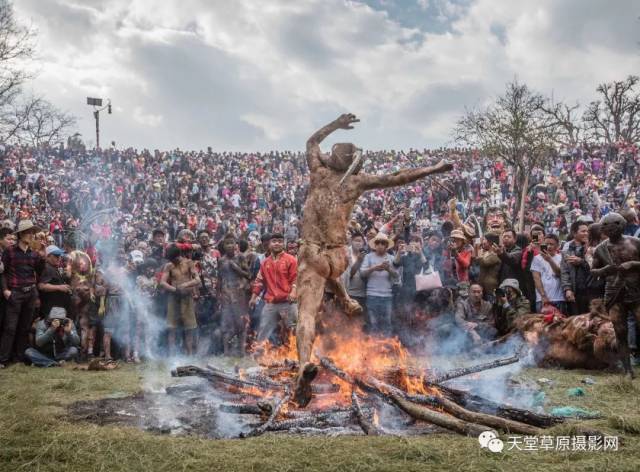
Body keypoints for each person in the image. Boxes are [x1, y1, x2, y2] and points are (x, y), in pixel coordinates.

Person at [591, 212, 640, 378]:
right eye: (607, 228)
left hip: (636, 291)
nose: (611, 231)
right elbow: (593, 271)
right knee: (620, 331)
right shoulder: (600, 249)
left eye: (614, 226)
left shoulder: (635, 242)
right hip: (614, 293)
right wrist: (604, 270)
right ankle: (627, 370)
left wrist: (633, 264)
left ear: (621, 225)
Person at [0, 220, 45, 368]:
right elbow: (3, 273)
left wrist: (43, 257)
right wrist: (5, 290)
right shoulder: (10, 251)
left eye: (32, 232)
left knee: (24, 327)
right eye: (28, 232)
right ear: (20, 234)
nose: (31, 235)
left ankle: (19, 359)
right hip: (15, 293)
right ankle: (3, 360)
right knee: (10, 327)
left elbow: (40, 272)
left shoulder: (34, 254)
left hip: (30, 293)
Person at [250, 233, 298, 344]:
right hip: (270, 303)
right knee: (263, 332)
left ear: (283, 244)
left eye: (280, 241)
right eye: (274, 241)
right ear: (270, 244)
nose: (277, 243)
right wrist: (253, 298)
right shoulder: (265, 262)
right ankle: (259, 357)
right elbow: (259, 282)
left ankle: (295, 356)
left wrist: (293, 292)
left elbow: (295, 278)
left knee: (293, 331)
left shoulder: (291, 260)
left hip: (288, 302)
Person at [160, 244, 201, 356]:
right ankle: (172, 357)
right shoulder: (169, 266)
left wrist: (186, 284)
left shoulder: (189, 263)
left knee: (189, 329)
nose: (172, 261)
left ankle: (189, 355)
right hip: (174, 299)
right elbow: (162, 282)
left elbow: (197, 279)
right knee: (172, 328)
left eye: (173, 259)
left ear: (178, 256)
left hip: (187, 299)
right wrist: (174, 289)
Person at [217, 235, 250, 356]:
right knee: (226, 322)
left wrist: (237, 268)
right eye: (227, 243)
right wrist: (218, 295)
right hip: (226, 293)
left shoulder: (241, 257)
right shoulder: (221, 260)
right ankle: (226, 352)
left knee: (241, 322)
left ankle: (242, 351)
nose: (230, 245)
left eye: (232, 243)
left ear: (236, 245)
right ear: (224, 246)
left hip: (239, 293)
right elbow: (219, 279)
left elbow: (248, 275)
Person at [360, 233, 398, 335]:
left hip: (387, 296)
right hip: (372, 295)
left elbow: (397, 276)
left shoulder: (391, 258)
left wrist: (388, 269)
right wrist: (374, 268)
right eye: (378, 243)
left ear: (386, 245)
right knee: (373, 324)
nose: (380, 245)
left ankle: (387, 347)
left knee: (387, 324)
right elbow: (362, 273)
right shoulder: (368, 257)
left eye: (383, 243)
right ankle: (373, 347)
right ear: (375, 245)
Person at [561, 221, 592, 315]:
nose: (586, 233)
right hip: (575, 291)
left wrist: (581, 262)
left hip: (590, 291)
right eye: (583, 231)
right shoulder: (567, 249)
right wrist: (567, 289)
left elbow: (594, 267)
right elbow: (564, 271)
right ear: (574, 233)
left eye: (587, 231)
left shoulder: (592, 247)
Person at [530, 234, 565, 313]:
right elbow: (536, 278)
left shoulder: (561, 257)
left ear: (557, 246)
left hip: (559, 298)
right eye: (546, 244)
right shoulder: (537, 258)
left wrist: (550, 260)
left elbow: (559, 274)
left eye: (551, 244)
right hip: (542, 299)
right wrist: (543, 296)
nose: (549, 247)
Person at [37, 245, 72, 319]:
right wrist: (59, 287)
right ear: (48, 256)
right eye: (56, 256)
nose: (59, 258)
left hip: (56, 307)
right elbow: (41, 286)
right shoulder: (47, 268)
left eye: (60, 256)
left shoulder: (53, 267)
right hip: (51, 308)